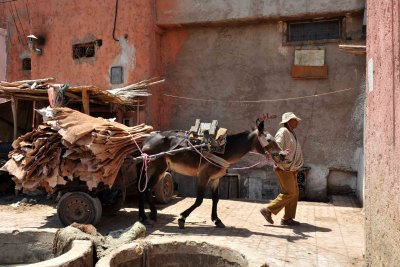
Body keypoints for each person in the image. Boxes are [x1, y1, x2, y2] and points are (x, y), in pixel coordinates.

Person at [260, 112, 304, 226]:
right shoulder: (283, 131)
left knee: (294, 193)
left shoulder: (290, 132)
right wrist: (281, 154)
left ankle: (287, 218)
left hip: (291, 168)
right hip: (284, 168)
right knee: (290, 193)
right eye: (295, 120)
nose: (297, 122)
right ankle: (268, 210)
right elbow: (276, 147)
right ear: (289, 121)